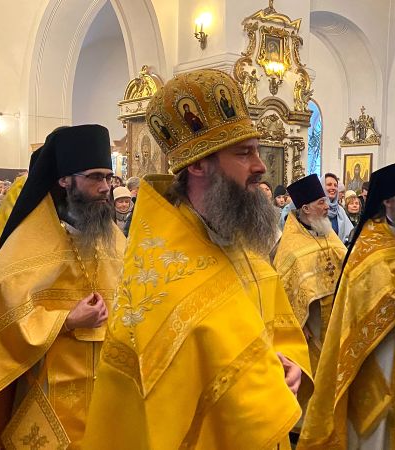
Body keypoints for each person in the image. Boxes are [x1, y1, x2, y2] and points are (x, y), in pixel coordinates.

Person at [83, 68, 311, 450]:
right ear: (198, 164)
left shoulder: (243, 243)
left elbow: (278, 328)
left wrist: (290, 363)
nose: (260, 166)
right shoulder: (161, 269)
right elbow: (159, 402)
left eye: (257, 150)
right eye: (244, 153)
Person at [0, 125, 125, 449]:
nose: (105, 188)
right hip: (49, 383)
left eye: (109, 178)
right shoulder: (30, 239)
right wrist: (65, 320)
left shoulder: (113, 238)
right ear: (65, 180)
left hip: (109, 383)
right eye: (95, 177)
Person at [298, 161, 395, 450]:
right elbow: (359, 297)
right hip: (381, 348)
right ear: (387, 201)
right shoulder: (369, 241)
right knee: (381, 421)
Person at [274, 174, 346, 375]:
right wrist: (298, 324)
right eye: (321, 202)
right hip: (312, 319)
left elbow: (347, 266)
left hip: (337, 314)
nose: (327, 206)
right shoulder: (290, 246)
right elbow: (283, 289)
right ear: (305, 208)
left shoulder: (327, 232)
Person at [324, 173, 354, 243]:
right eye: (329, 184)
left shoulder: (340, 210)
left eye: (335, 185)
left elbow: (350, 233)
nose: (333, 188)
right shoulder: (316, 208)